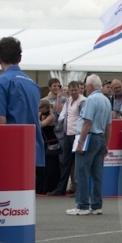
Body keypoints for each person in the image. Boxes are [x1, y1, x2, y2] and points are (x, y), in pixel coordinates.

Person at [0, 36, 45, 168]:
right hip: (33, 150)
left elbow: (0, 121)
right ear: (19, 58)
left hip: (10, 151)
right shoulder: (33, 85)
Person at [67, 74, 111, 215]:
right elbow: (109, 125)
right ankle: (96, 205)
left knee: (82, 172)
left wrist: (80, 142)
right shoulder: (106, 100)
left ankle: (82, 205)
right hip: (100, 138)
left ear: (90, 86)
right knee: (97, 174)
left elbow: (87, 122)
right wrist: (106, 144)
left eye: (86, 86)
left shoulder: (91, 100)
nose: (85, 88)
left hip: (89, 137)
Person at [50, 81, 85, 196]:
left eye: (76, 90)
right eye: (72, 90)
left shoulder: (82, 101)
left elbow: (84, 117)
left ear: (79, 90)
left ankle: (79, 189)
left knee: (78, 164)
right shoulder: (68, 101)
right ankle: (61, 189)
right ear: (69, 90)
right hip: (68, 134)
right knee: (66, 163)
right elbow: (61, 114)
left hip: (77, 134)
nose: (74, 92)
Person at [39, 99, 60, 194]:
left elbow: (41, 124)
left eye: (40, 107)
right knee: (43, 165)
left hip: (51, 142)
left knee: (51, 165)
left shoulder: (51, 116)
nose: (39, 109)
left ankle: (52, 186)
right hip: (43, 142)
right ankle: (42, 186)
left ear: (46, 108)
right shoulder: (39, 115)